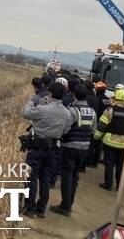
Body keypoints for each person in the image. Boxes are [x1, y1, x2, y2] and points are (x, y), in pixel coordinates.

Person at [21, 82, 73, 218]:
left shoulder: (43, 109)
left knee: (31, 178)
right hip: (53, 148)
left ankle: (30, 208)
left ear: (50, 93)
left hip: (37, 146)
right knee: (45, 179)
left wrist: (32, 102)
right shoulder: (67, 114)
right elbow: (66, 130)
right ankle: (41, 209)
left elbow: (26, 113)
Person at [50, 84, 96, 216]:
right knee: (75, 176)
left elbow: (65, 128)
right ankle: (69, 204)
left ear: (74, 95)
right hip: (84, 147)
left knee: (67, 176)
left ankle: (65, 207)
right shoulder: (92, 111)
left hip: (70, 146)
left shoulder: (72, 110)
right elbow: (93, 129)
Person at [94, 84, 124, 191]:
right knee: (120, 165)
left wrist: (96, 137)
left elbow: (101, 126)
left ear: (116, 98)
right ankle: (119, 185)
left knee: (109, 163)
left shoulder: (110, 110)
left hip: (110, 142)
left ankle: (108, 183)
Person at [87, 81, 110, 167]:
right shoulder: (108, 100)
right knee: (99, 145)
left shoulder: (97, 99)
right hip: (105, 125)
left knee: (92, 144)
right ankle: (96, 162)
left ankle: (90, 161)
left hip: (97, 123)